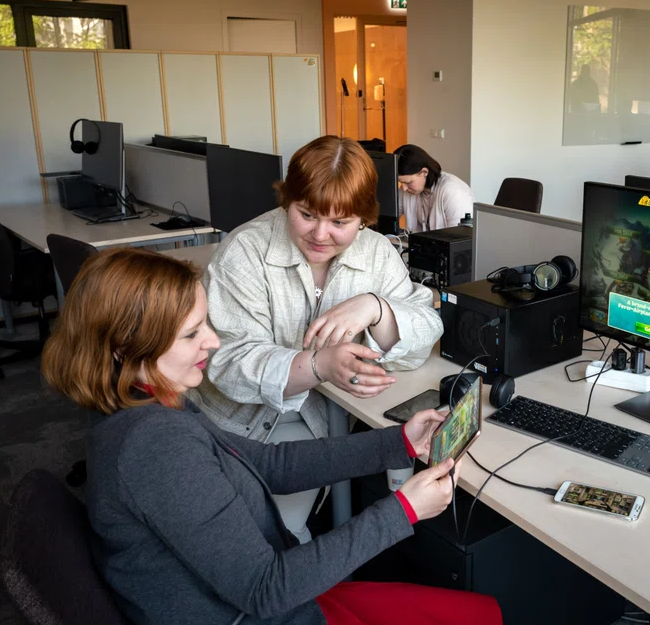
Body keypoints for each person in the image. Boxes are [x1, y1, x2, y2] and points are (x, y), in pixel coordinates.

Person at [41, 247, 502, 625]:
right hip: (266, 611)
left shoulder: (145, 401)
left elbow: (268, 465)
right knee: (476, 616)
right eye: (190, 334)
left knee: (475, 612)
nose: (213, 342)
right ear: (124, 348)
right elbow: (267, 589)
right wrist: (404, 510)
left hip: (263, 603)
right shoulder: (155, 447)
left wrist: (400, 441)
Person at [194, 135, 443, 544]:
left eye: (341, 222)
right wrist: (318, 366)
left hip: (319, 424)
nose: (320, 235)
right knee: (266, 542)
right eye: (307, 214)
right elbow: (228, 364)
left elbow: (424, 334)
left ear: (363, 218)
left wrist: (375, 306)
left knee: (286, 538)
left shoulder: (377, 253)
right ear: (286, 201)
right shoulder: (245, 251)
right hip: (243, 427)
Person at [394, 144, 474, 232]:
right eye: (401, 182)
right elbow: (389, 217)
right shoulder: (407, 189)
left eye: (408, 182)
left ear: (424, 172)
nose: (404, 188)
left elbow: (459, 237)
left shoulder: (453, 191)